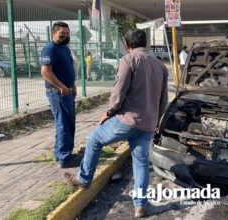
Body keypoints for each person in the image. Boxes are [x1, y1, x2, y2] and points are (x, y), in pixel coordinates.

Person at [63, 28, 169, 218]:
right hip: (148, 124)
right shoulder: (160, 65)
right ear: (145, 44)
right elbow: (163, 99)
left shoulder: (128, 60)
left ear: (128, 46)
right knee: (141, 164)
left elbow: (118, 92)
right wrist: (157, 121)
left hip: (127, 120)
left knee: (94, 138)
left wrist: (109, 113)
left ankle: (84, 178)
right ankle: (140, 207)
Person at [40, 22, 78, 168]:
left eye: (67, 34)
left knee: (66, 123)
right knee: (64, 124)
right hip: (58, 93)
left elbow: (68, 69)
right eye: (62, 33)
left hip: (67, 91)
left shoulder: (64, 48)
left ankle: (60, 153)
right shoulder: (50, 49)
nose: (66, 36)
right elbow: (45, 72)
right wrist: (62, 87)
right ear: (54, 33)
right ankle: (65, 158)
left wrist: (72, 85)